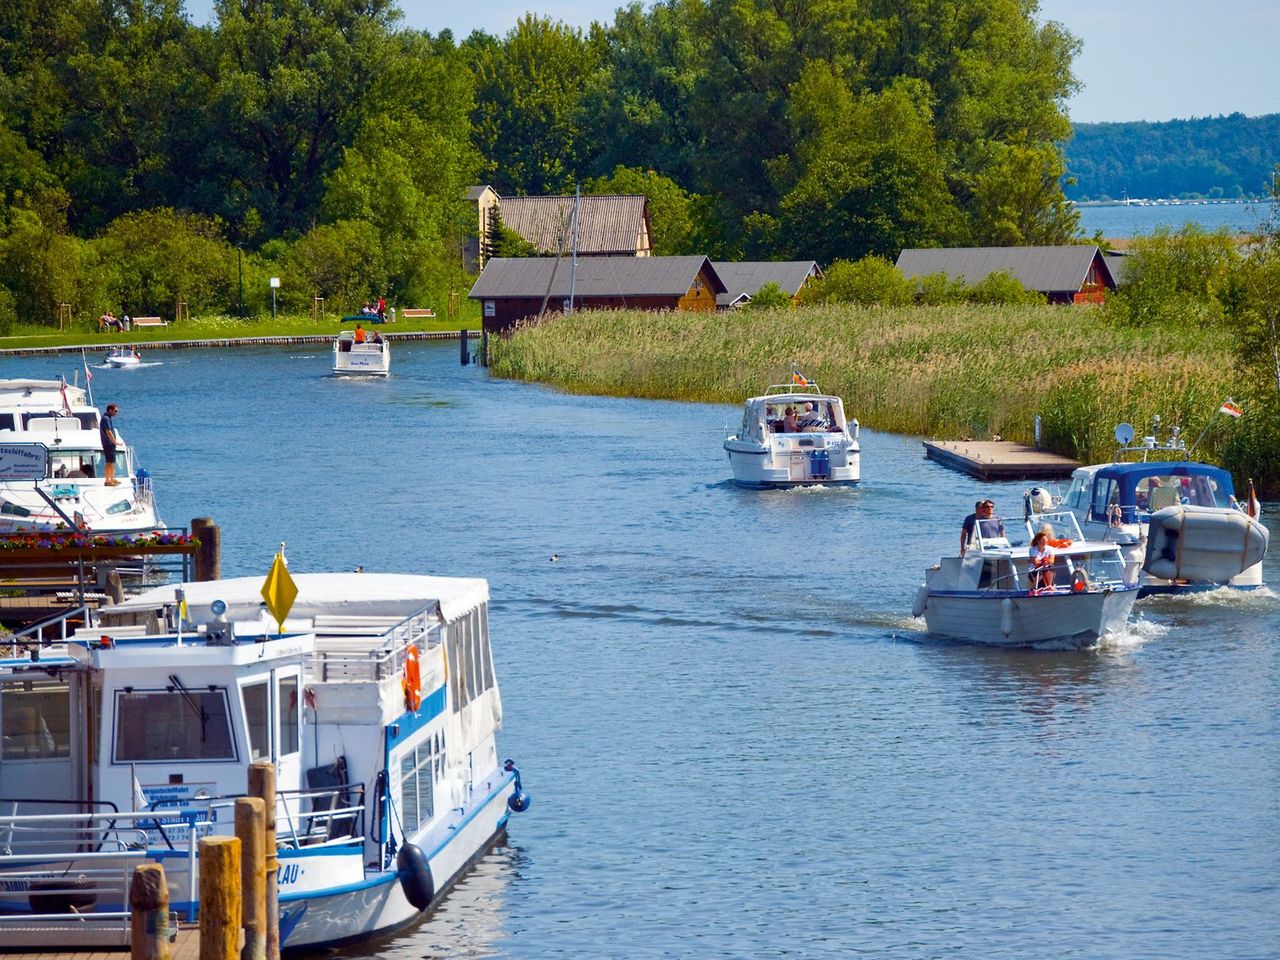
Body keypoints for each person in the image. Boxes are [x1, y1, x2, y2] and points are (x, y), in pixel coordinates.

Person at [100, 403, 122, 485]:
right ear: (110, 410)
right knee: (109, 462)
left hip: (110, 444)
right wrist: (115, 442)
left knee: (112, 462)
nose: (116, 413)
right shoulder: (106, 418)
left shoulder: (108, 418)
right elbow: (108, 432)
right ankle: (107, 480)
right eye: (115, 411)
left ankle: (112, 478)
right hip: (108, 444)